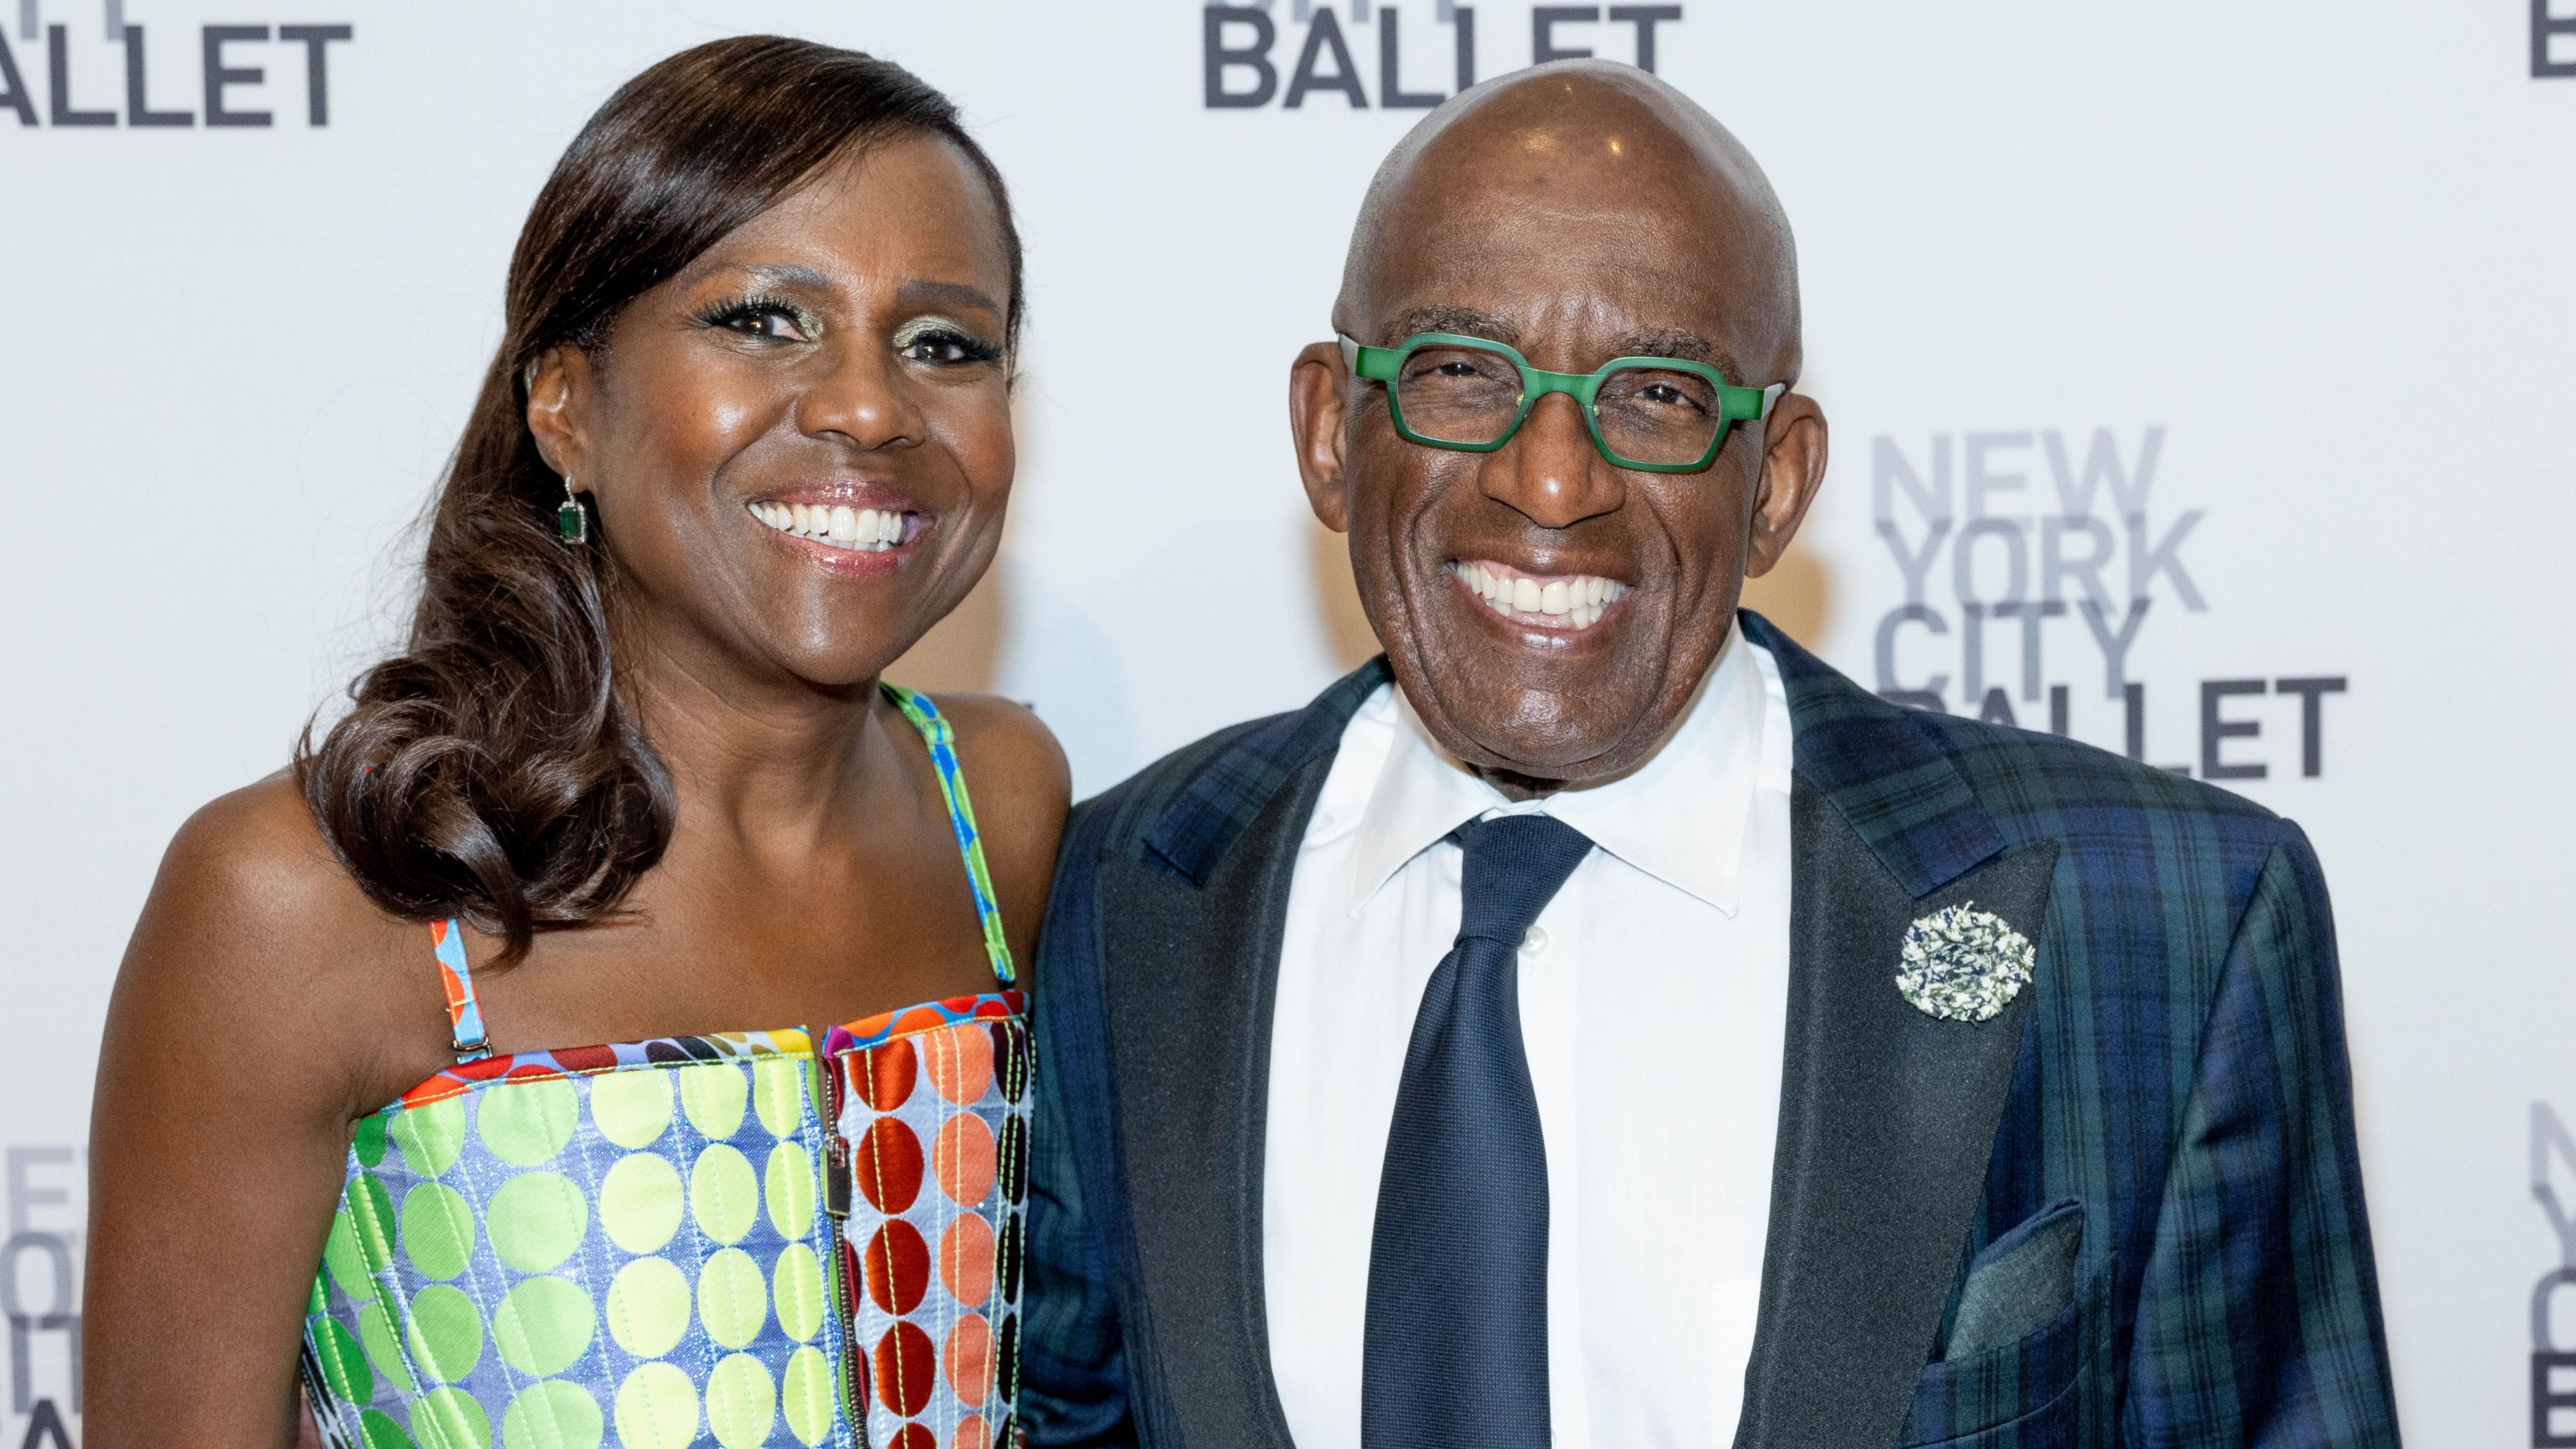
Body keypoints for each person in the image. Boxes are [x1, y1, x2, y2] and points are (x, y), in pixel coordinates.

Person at [1019, 60, 2398, 1449]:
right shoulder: (1115, 900)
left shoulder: (2166, 923)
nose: (1550, 479)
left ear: (1776, 481)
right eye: (1458, 370)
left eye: (1656, 394)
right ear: (1331, 431)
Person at [83, 36, 1068, 1449]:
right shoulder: (311, 901)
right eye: (766, 320)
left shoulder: (1004, 811)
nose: (867, 403)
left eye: (944, 345)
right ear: (565, 409)